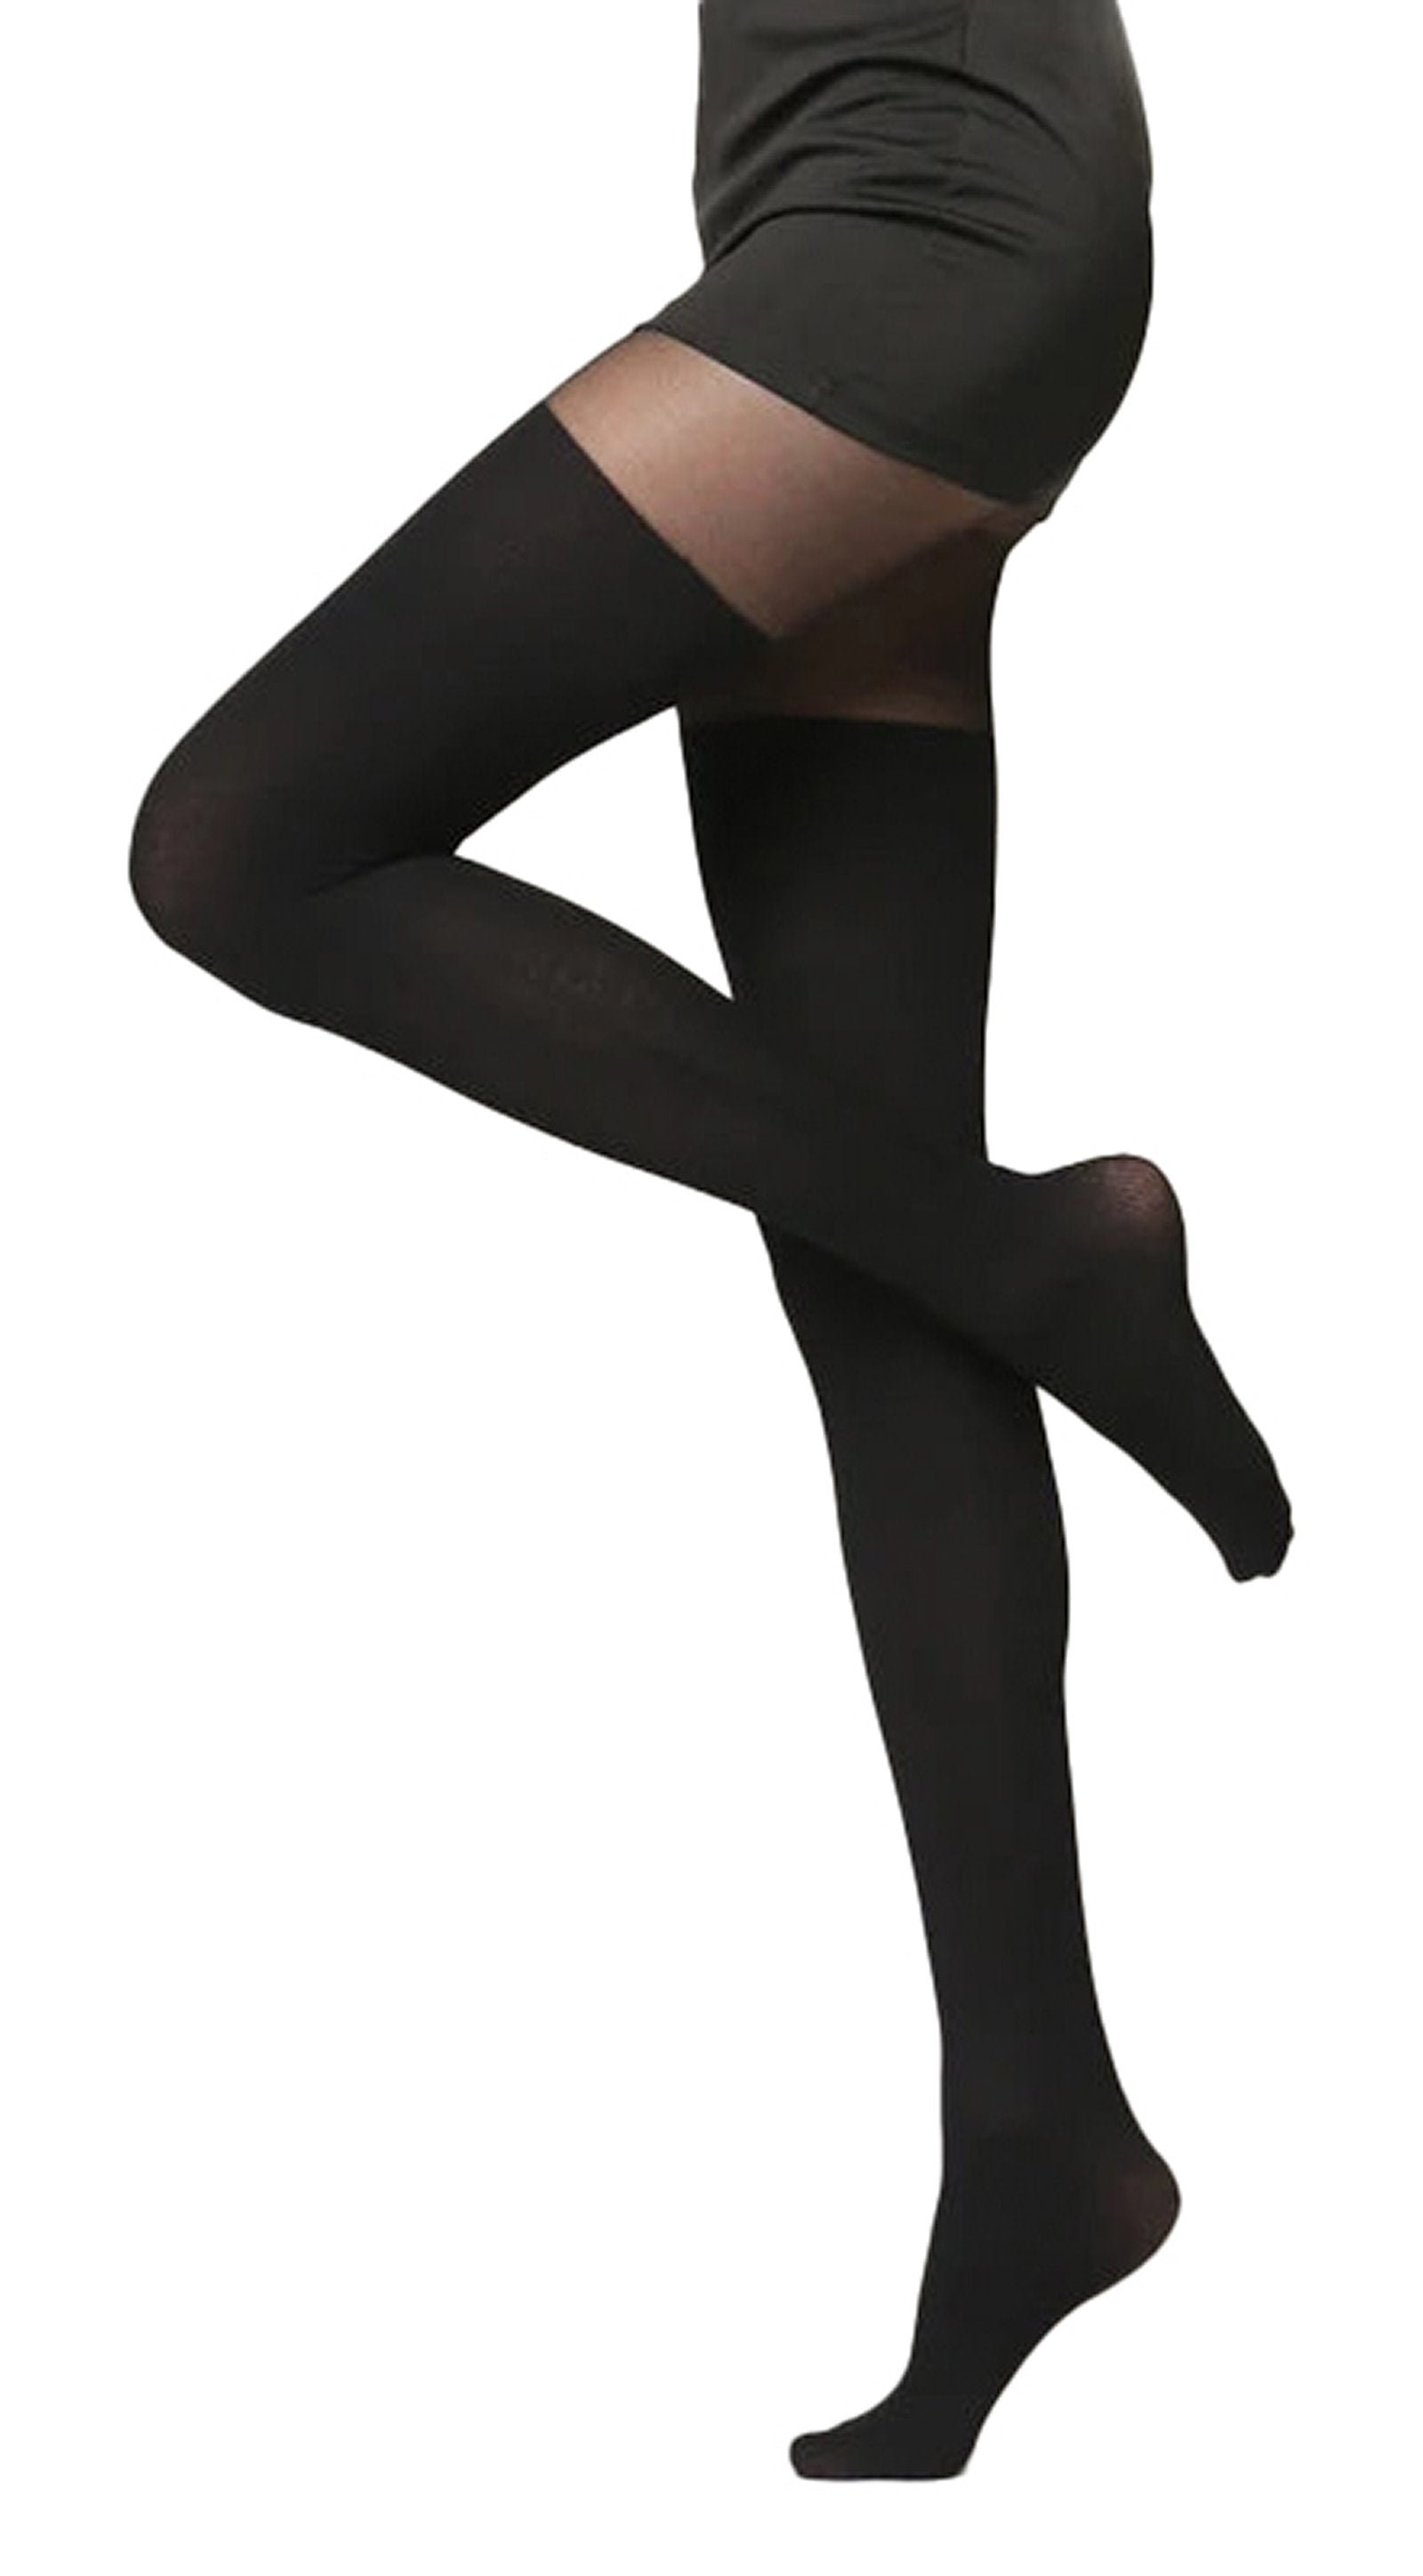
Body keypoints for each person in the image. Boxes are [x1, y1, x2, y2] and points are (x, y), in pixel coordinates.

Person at [126, 0, 1291, 2481]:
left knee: (245, 842)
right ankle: (1042, 2136)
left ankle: (1046, 1265)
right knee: (871, 1259)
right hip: (855, 217)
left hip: (922, 227)